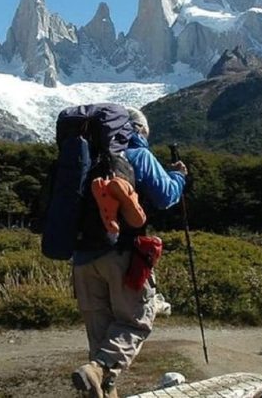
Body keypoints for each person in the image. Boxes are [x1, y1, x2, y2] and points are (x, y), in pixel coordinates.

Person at [71, 106, 187, 398]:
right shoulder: (138, 154)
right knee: (135, 321)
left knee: (101, 340)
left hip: (82, 259)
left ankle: (100, 382)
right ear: (136, 130)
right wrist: (179, 178)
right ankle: (97, 370)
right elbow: (165, 197)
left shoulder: (84, 157)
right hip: (121, 254)